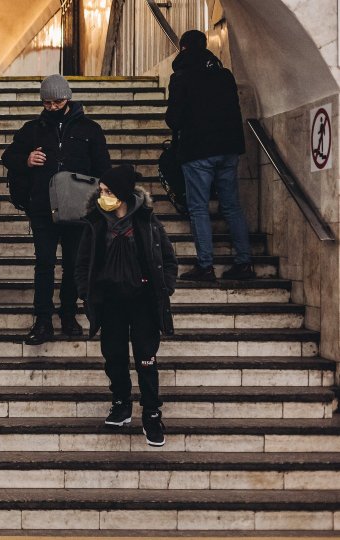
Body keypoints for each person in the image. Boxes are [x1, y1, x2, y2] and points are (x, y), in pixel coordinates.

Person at [1, 74, 111, 345]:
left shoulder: (90, 130)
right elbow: (8, 157)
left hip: (78, 208)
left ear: (68, 98)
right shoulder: (32, 129)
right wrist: (26, 159)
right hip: (42, 207)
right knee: (44, 265)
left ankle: (68, 314)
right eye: (47, 103)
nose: (52, 107)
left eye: (57, 101)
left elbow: (103, 168)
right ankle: (42, 319)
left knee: (74, 265)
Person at [74, 165, 177, 447]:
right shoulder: (95, 224)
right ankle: (121, 403)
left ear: (121, 193)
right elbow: (82, 263)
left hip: (143, 301)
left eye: (108, 192)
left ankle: (152, 413)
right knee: (114, 355)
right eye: (102, 191)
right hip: (110, 302)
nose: (102, 196)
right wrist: (86, 291)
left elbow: (167, 258)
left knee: (146, 358)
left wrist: (165, 286)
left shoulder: (147, 222)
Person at [165, 29, 254, 282]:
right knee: (232, 207)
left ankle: (205, 266)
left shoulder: (181, 77)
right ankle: (244, 263)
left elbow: (174, 118)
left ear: (183, 49)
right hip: (228, 149)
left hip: (197, 151)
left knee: (198, 208)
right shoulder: (224, 75)